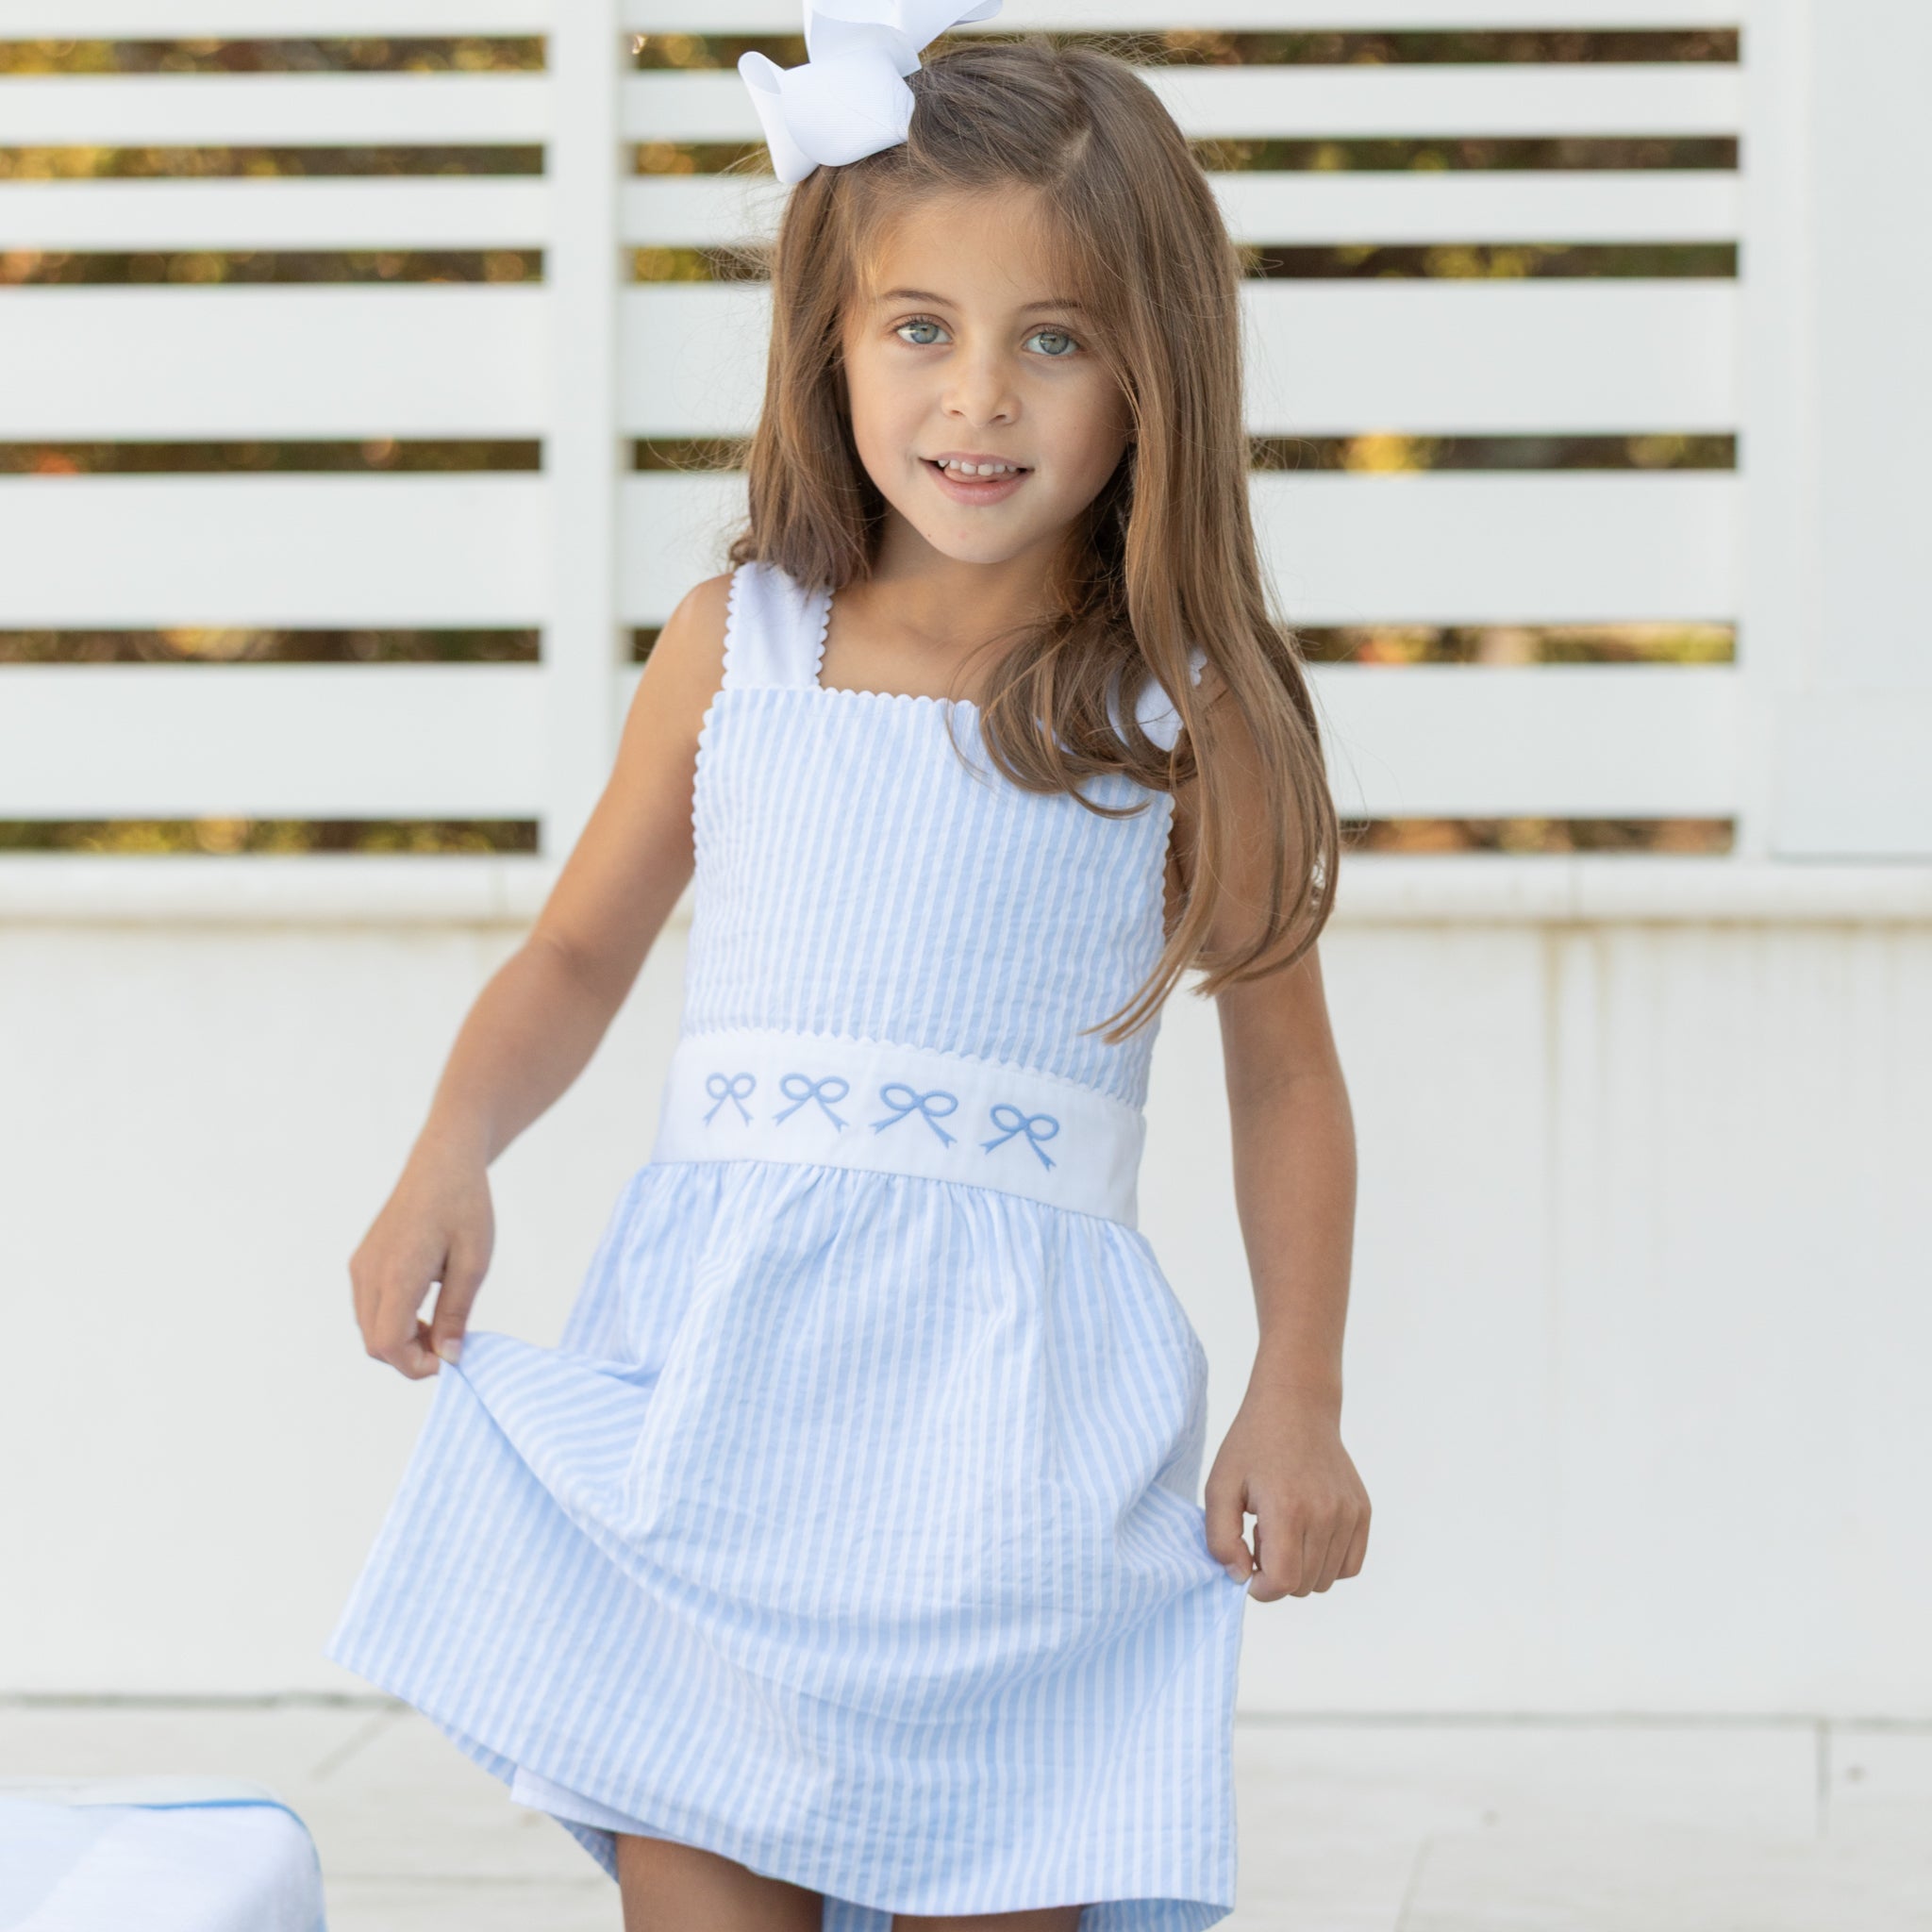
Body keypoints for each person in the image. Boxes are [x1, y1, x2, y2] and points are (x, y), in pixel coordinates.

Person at [326, 8, 1370, 1928]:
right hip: (719, 1404)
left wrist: (1296, 1388)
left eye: (1054, 339)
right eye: (921, 328)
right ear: (830, 336)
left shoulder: (1179, 708)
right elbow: (576, 950)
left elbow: (1286, 1071)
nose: (980, 398)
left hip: (1013, 1444)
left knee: (999, 1863)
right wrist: (448, 1149)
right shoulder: (738, 647)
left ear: (1155, 372)